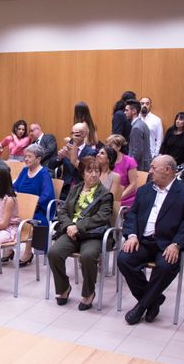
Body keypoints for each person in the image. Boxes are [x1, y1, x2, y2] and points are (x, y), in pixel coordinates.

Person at [117, 155, 184, 325]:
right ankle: (153, 300)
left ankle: (141, 307)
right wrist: (131, 235)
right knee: (124, 259)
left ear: (168, 170)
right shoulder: (144, 190)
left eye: (154, 168)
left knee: (166, 265)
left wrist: (177, 244)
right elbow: (131, 215)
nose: (150, 171)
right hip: (144, 241)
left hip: (169, 243)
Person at [48, 156, 113, 310]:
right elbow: (63, 211)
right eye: (89, 171)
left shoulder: (105, 194)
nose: (94, 174)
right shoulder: (76, 189)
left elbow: (102, 217)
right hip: (72, 232)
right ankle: (63, 287)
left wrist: (78, 226)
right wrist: (69, 226)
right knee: (54, 253)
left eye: (97, 171)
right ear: (82, 173)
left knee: (88, 256)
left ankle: (88, 292)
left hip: (92, 234)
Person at [12, 144, 55, 265]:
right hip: (20, 207)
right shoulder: (25, 170)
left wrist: (32, 205)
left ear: (38, 159)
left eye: (29, 156)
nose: (26, 159)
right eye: (25, 156)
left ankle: (28, 252)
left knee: (30, 221)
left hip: (37, 210)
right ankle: (9, 249)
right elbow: (15, 187)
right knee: (6, 216)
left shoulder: (44, 174)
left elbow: (47, 196)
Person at [49, 123, 97, 198]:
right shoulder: (68, 147)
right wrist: (59, 158)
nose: (75, 135)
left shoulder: (90, 152)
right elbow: (51, 165)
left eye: (78, 133)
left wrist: (72, 156)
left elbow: (86, 171)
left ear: (85, 134)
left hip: (81, 188)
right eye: (73, 133)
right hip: (65, 188)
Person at [106, 134, 138, 207]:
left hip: (126, 198)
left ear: (119, 147)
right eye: (107, 146)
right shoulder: (106, 160)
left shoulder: (129, 161)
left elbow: (133, 184)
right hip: (109, 196)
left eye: (110, 146)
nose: (107, 148)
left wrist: (119, 197)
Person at [125, 98, 152, 172]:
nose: (125, 112)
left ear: (134, 111)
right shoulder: (142, 124)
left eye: (127, 110)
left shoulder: (136, 127)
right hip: (144, 164)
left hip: (140, 166)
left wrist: (129, 166)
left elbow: (137, 152)